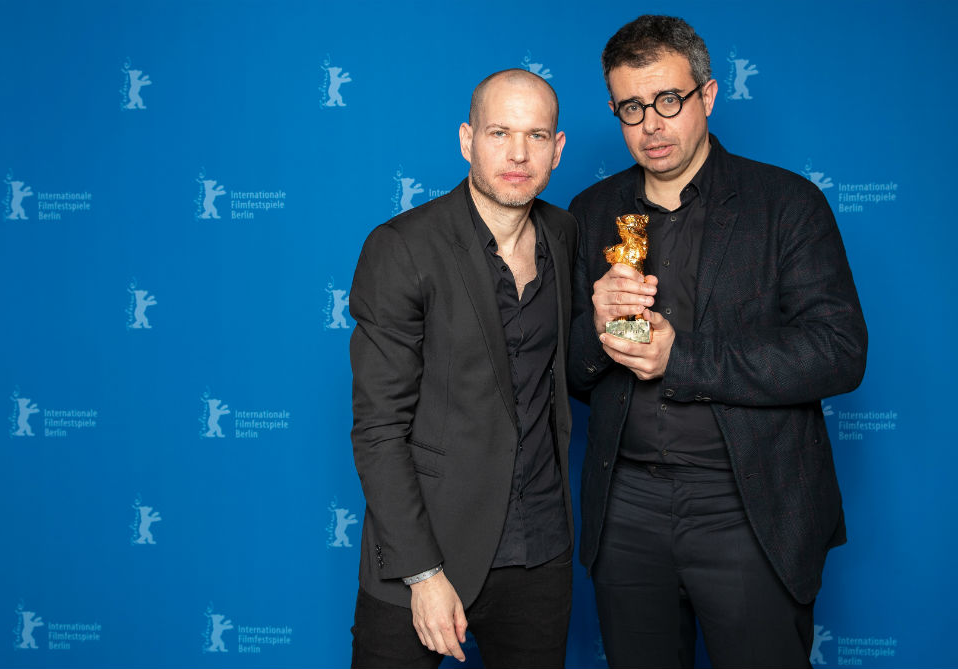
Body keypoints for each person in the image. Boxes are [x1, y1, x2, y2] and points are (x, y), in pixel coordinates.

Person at [568, 15, 867, 668]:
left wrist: (683, 358)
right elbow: (568, 372)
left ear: (707, 95)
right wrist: (594, 328)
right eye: (631, 107)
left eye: (668, 101)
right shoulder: (591, 212)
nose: (650, 124)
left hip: (748, 508)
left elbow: (840, 350)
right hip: (627, 513)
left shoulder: (785, 203)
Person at [349, 69, 577, 669]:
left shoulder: (566, 234)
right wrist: (422, 574)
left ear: (557, 148)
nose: (518, 154)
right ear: (466, 139)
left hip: (541, 548)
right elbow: (378, 430)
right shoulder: (402, 248)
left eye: (536, 135)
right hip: (428, 549)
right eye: (500, 132)